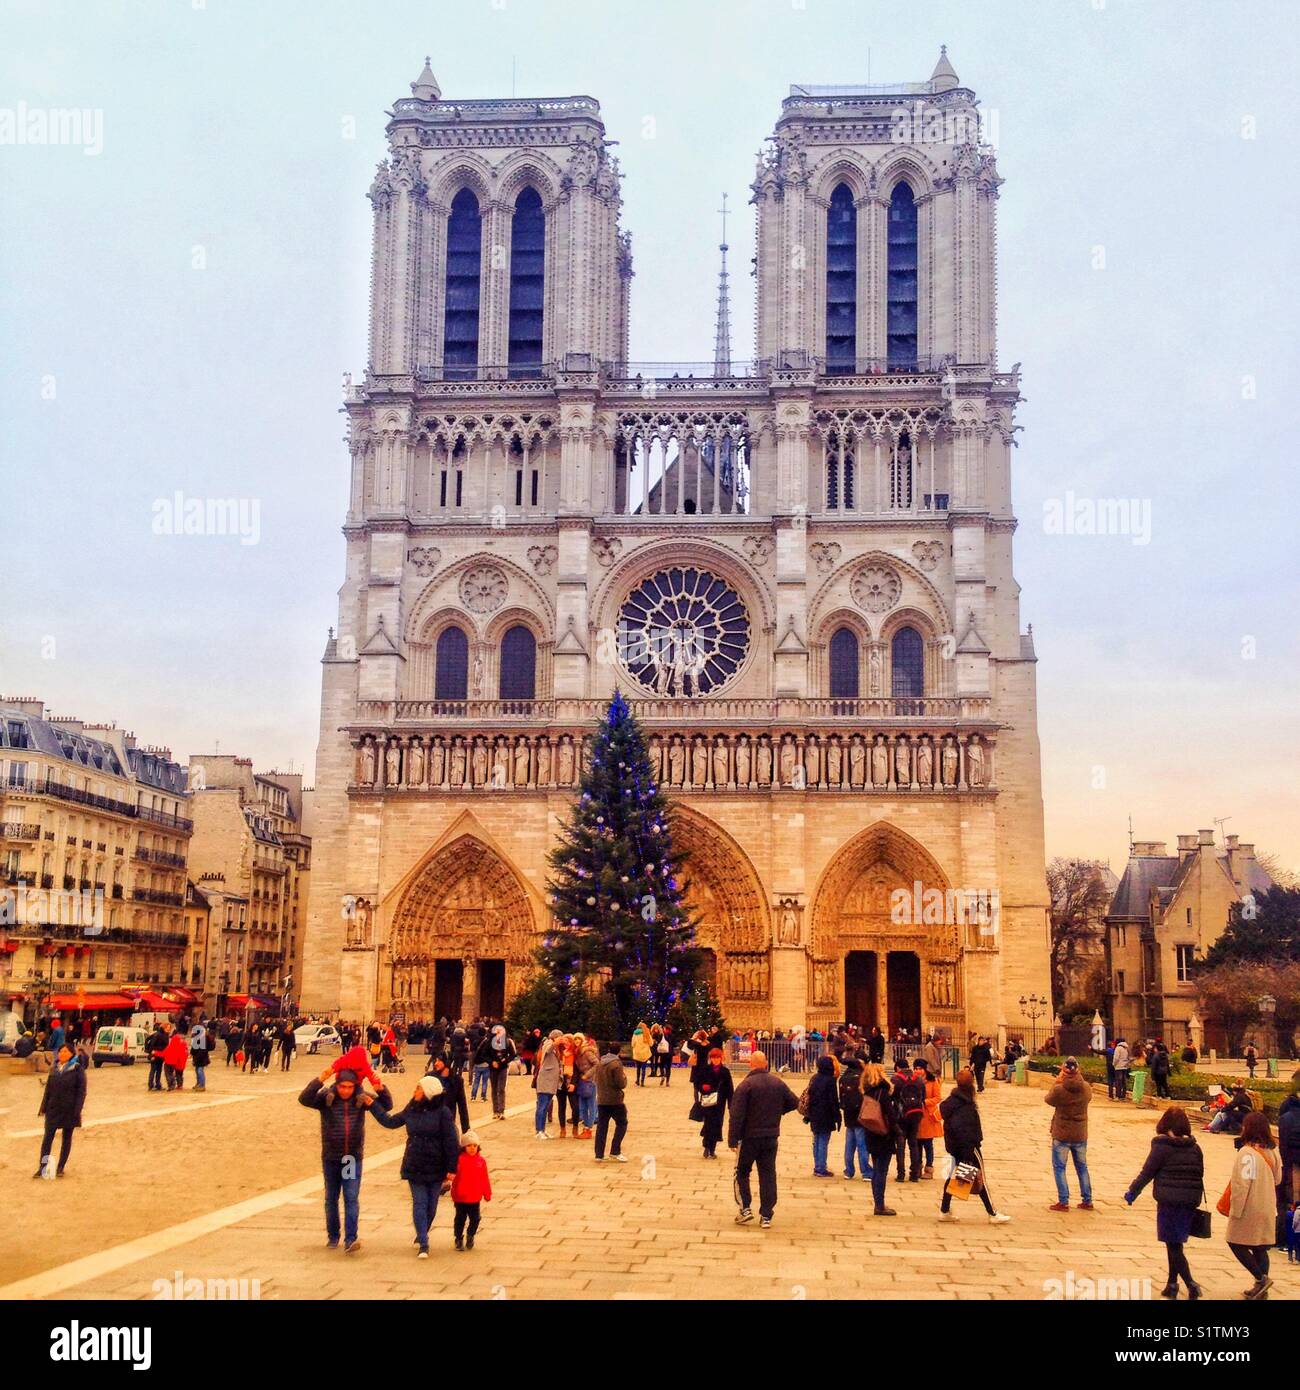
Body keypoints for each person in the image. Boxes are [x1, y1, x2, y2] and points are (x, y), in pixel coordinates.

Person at [298, 1065, 392, 1252]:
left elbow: (387, 1105)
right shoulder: (327, 1098)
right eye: (343, 1086)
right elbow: (304, 1099)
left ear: (355, 1085)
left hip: (351, 1157)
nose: (346, 1091)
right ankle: (333, 1236)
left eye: (350, 1087)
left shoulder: (362, 1098)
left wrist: (378, 1085)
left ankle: (351, 1239)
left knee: (350, 1197)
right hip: (331, 1157)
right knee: (331, 1198)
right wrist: (321, 1078)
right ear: (337, 1084)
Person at [371, 1074, 461, 1258]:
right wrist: (372, 1105)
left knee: (432, 1205)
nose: (415, 1091)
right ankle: (423, 1241)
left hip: (437, 1164)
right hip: (415, 1162)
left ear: (428, 1092)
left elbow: (451, 1142)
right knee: (420, 1202)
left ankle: (422, 1231)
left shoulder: (443, 1113)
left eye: (418, 1088)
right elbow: (391, 1122)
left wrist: (452, 1169)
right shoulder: (412, 1108)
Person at [1124, 1106, 1205, 1299]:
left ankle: (1191, 1283)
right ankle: (1171, 1284)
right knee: (1174, 1243)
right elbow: (1200, 1173)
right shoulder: (1195, 1147)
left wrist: (1133, 1191)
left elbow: (1147, 1172)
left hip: (1169, 1201)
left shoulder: (1162, 1146)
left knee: (1173, 1245)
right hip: (1190, 1201)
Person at [728, 1051, 799, 1229]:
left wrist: (732, 1139)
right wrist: (777, 1112)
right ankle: (766, 1214)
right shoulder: (778, 1083)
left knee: (742, 1172)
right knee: (768, 1174)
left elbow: (736, 1115)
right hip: (770, 1137)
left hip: (749, 1138)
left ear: (751, 1065)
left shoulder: (746, 1085)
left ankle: (745, 1209)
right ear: (766, 1064)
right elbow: (794, 1102)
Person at [938, 1068, 1011, 1224]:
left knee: (955, 1176)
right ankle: (992, 1213)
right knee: (979, 1178)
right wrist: (968, 1154)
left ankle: (944, 1210)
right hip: (968, 1149)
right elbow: (964, 1131)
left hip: (955, 1147)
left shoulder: (952, 1102)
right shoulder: (966, 1107)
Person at [1225, 1111, 1282, 1299]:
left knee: (1234, 1241)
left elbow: (1242, 1185)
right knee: (1260, 1247)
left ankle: (1261, 1278)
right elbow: (1278, 1179)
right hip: (1267, 1206)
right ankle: (1261, 1289)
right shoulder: (1273, 1152)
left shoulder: (1246, 1153)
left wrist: (1235, 1210)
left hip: (1249, 1207)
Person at [1044, 1056, 1093, 1211]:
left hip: (1062, 1133)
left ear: (1063, 1071)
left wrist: (1057, 1081)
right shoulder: (1086, 1088)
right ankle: (1087, 1200)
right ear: (1078, 1069)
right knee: (1082, 1167)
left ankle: (1063, 1201)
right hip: (1080, 1133)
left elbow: (1048, 1099)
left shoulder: (1059, 1089)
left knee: (1059, 1168)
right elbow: (1088, 1097)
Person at [34, 1045, 86, 1179]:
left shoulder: (77, 1069)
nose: (62, 1054)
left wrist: (77, 1109)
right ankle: (42, 1167)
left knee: (66, 1139)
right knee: (47, 1139)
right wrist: (43, 1107)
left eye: (65, 1051)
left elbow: (81, 1092)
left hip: (69, 1109)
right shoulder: (54, 1069)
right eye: (61, 1051)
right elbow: (48, 1090)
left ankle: (60, 1167)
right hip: (53, 1108)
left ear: (71, 1054)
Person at [450, 1129, 492, 1251]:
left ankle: (470, 1235)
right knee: (460, 1219)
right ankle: (458, 1238)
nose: (472, 1148)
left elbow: (484, 1178)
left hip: (475, 1196)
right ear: (463, 1147)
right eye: (469, 1145)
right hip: (461, 1197)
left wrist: (487, 1192)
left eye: (474, 1145)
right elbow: (453, 1176)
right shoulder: (459, 1160)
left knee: (476, 1218)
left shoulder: (481, 1161)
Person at [591, 1040, 629, 1162]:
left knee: (602, 1126)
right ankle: (615, 1150)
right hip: (614, 1099)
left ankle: (599, 1154)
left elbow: (595, 1079)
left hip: (602, 1099)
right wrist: (624, 1078)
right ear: (619, 1051)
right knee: (622, 1123)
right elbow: (621, 1083)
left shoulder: (600, 1062)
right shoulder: (616, 1064)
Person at [803, 1054, 840, 1177]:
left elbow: (811, 1097)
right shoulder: (830, 1080)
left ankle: (817, 1165)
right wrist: (837, 1117)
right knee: (823, 1141)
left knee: (817, 1140)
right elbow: (833, 1100)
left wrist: (808, 1115)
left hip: (815, 1114)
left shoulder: (815, 1078)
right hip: (826, 1115)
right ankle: (821, 1167)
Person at [693, 1047, 733, 1158]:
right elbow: (697, 1083)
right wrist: (702, 1087)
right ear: (710, 1059)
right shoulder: (705, 1069)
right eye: (713, 1058)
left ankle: (712, 1149)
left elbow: (730, 1089)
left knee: (717, 1125)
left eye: (717, 1058)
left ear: (721, 1058)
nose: (715, 1060)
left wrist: (731, 1104)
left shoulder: (725, 1072)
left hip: (720, 1103)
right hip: (708, 1101)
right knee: (708, 1124)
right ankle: (706, 1146)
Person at [891, 1057, 925, 1182]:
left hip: (901, 1116)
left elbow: (891, 1097)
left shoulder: (896, 1079)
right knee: (913, 1144)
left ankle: (901, 1174)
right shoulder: (919, 1079)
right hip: (916, 1114)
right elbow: (923, 1097)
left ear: (898, 1068)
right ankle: (914, 1174)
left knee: (900, 1145)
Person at [478, 1024, 516, 1122]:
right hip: (493, 1068)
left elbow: (513, 1054)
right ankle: (495, 1111)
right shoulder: (489, 1042)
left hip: (503, 1067)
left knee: (501, 1089)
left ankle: (501, 1111)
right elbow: (483, 1054)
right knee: (494, 1089)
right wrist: (491, 1062)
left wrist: (505, 1060)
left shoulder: (507, 1041)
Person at [426, 1051, 471, 1132]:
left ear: (447, 1063)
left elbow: (462, 1107)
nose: (436, 1063)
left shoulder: (457, 1081)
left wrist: (466, 1130)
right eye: (436, 1060)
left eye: (439, 1061)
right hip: (431, 1124)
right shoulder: (429, 1077)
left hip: (448, 1124)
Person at [532, 1029, 561, 1139]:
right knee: (542, 1106)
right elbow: (548, 1050)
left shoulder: (556, 1049)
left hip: (551, 1082)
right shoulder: (548, 1044)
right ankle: (538, 1130)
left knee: (546, 1107)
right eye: (559, 1037)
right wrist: (554, 1043)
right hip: (545, 1081)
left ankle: (543, 1130)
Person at [917, 1059, 943, 1179]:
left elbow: (938, 1097)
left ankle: (929, 1167)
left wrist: (925, 1102)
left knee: (928, 1144)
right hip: (916, 1116)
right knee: (917, 1144)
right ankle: (917, 1167)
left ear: (925, 1069)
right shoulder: (913, 1081)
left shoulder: (933, 1081)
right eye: (916, 1068)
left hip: (928, 1116)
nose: (918, 1071)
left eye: (920, 1069)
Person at [188, 1019, 211, 1093]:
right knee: (198, 1070)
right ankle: (199, 1084)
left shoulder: (200, 1038)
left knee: (199, 1070)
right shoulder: (204, 1037)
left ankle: (201, 1085)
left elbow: (196, 1048)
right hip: (201, 1056)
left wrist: (192, 1054)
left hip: (200, 1057)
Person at [163, 1026, 188, 1091]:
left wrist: (155, 1053)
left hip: (175, 1062)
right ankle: (179, 1085)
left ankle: (173, 1085)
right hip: (181, 1062)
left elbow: (164, 1053)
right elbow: (186, 1053)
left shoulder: (172, 1046)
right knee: (179, 1074)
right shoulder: (184, 1044)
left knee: (174, 1074)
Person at [146, 1021, 168, 1092]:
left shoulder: (165, 1035)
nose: (169, 1029)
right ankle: (151, 1085)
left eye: (169, 1028)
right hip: (155, 1055)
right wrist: (150, 1053)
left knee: (158, 1071)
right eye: (167, 1028)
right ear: (164, 1028)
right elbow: (149, 1042)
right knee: (153, 1070)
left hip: (161, 1056)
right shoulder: (157, 1034)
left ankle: (158, 1085)